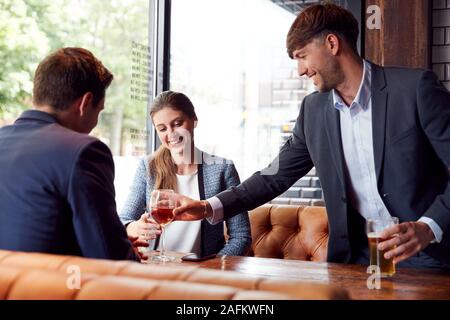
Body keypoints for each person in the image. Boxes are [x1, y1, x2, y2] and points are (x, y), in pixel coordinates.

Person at [172, 3, 450, 268]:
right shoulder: (313, 110)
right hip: (358, 259)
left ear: (331, 43)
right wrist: (208, 207)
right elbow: (274, 176)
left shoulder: (414, 90)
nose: (300, 70)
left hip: (429, 254)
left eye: (302, 56)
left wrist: (428, 226)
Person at [0, 47, 144, 260]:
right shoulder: (83, 151)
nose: (95, 123)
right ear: (85, 103)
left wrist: (118, 240)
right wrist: (124, 250)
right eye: (99, 111)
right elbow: (109, 259)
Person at [119, 91, 251, 257]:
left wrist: (213, 268)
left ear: (194, 120)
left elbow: (241, 236)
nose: (171, 133)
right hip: (155, 266)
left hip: (203, 273)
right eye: (162, 129)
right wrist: (132, 227)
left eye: (177, 123)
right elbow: (124, 219)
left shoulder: (223, 169)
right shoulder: (148, 167)